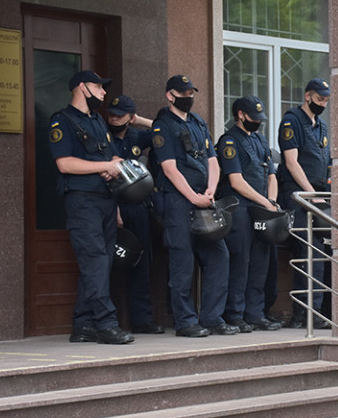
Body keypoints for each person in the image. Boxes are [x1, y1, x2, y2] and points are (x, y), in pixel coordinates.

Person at [50, 70, 134, 345]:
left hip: (106, 200)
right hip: (82, 201)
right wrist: (105, 166)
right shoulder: (62, 121)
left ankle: (83, 325)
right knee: (95, 260)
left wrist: (113, 165)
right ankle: (106, 324)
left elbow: (108, 156)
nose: (103, 92)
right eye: (98, 87)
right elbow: (65, 164)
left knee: (101, 263)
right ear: (82, 87)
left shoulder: (97, 120)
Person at [151, 75, 230, 337]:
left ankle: (211, 317)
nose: (188, 98)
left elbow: (213, 161)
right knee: (182, 263)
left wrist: (211, 190)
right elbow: (169, 169)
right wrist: (192, 196)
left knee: (218, 256)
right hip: (178, 202)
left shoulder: (198, 122)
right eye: (182, 93)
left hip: (204, 200)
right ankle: (185, 321)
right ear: (170, 95)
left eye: (191, 93)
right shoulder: (163, 126)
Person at [217, 96, 282, 333]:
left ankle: (255, 314)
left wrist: (271, 202)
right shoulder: (229, 142)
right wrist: (265, 202)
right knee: (240, 262)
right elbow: (236, 181)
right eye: (253, 118)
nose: (258, 122)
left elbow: (271, 175)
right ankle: (235, 314)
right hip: (241, 209)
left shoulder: (260, 140)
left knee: (259, 263)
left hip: (262, 209)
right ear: (241, 115)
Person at [104, 95, 163, 335]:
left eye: (120, 115)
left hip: (138, 206)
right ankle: (107, 321)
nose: (114, 118)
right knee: (106, 264)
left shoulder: (137, 136)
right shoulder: (103, 138)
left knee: (139, 262)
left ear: (130, 117)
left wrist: (140, 120)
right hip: (111, 205)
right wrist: (114, 210)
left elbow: (163, 131)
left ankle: (142, 319)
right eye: (112, 114)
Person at [277, 78, 332, 330]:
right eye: (319, 99)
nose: (323, 104)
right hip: (300, 196)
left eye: (326, 100)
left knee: (318, 255)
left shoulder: (320, 125)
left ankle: (313, 311)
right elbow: (291, 162)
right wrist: (311, 195)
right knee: (306, 254)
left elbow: (325, 160)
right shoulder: (292, 121)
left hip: (318, 196)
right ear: (307, 96)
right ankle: (304, 313)